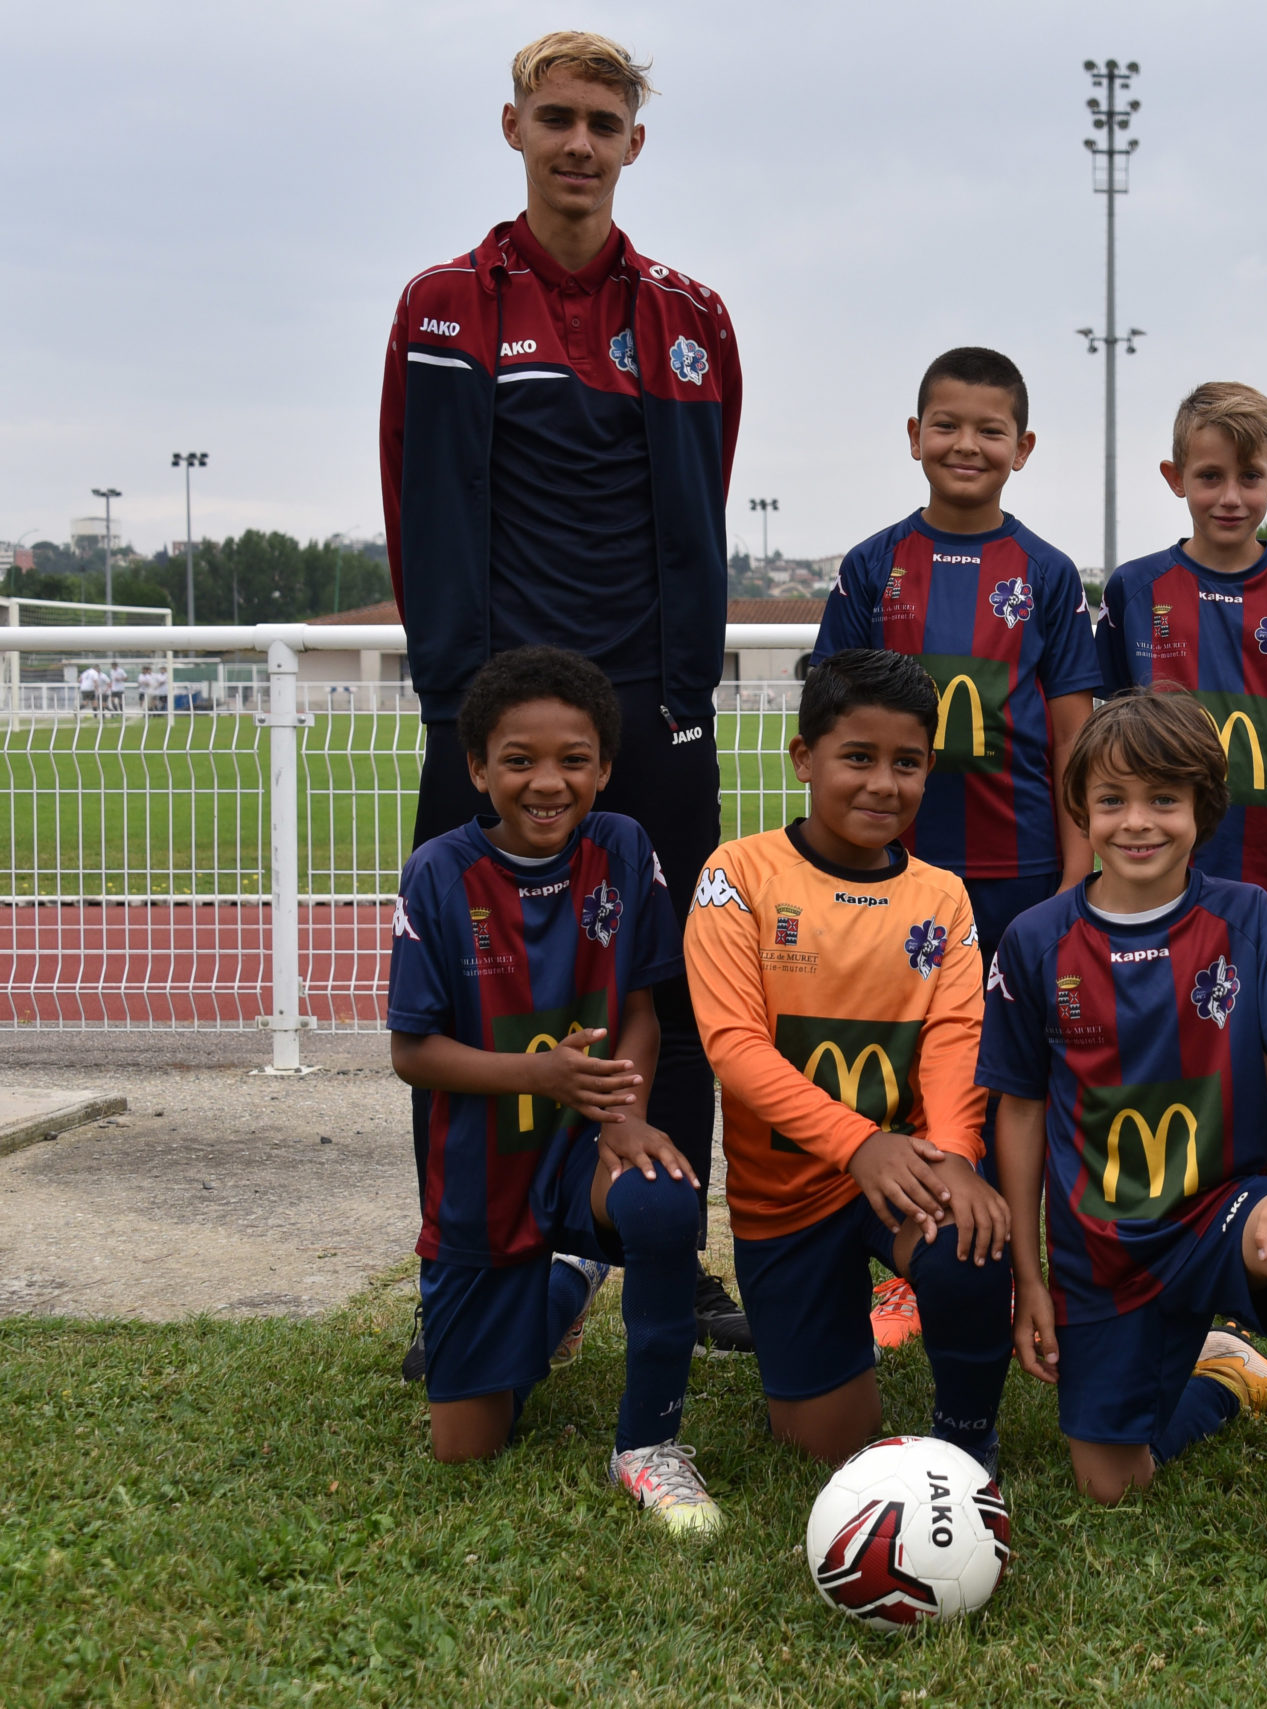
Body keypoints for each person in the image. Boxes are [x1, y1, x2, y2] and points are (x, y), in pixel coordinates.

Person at [382, 31, 750, 1363]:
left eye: (603, 122)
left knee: (682, 990)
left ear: (633, 144)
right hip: (497, 713)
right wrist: (461, 704)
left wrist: (682, 685)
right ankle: (469, 1272)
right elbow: (421, 500)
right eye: (557, 118)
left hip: (652, 709)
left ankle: (666, 1252)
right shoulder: (445, 305)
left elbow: (700, 507)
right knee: (470, 999)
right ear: (515, 130)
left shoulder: (692, 317)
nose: (579, 142)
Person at [978, 690, 1267, 1602]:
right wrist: (1030, 1276)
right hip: (1101, 1248)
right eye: (1112, 799)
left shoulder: (1245, 916)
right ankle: (1225, 1376)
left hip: (1219, 1212)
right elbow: (1021, 1111)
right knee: (1110, 1484)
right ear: (1081, 810)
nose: (1138, 821)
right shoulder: (1036, 941)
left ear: (1203, 808)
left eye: (1164, 798)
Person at [387, 647, 719, 1531]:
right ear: (477, 768)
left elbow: (641, 1012)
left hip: (586, 1152)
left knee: (662, 1199)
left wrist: (622, 1118)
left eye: (574, 759)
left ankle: (647, 1445)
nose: (547, 781)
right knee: (468, 1445)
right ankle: (568, 1281)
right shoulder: (438, 872)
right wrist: (539, 1074)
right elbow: (412, 1051)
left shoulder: (623, 847)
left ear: (604, 768)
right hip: (482, 1177)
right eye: (519, 759)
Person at [682, 650, 1015, 1471]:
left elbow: (955, 1039)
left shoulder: (942, 895)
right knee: (829, 1442)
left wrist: (957, 1155)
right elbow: (735, 1047)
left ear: (929, 768)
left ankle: (967, 1442)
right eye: (858, 757)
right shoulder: (738, 876)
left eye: (907, 763)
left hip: (907, 1171)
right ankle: (841, 1329)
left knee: (969, 1242)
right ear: (804, 757)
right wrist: (858, 1142)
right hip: (787, 1197)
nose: (883, 784)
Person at [812, 347, 1104, 958]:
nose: (966, 445)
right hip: (887, 857)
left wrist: (1077, 874)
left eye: (990, 431)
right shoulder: (870, 565)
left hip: (1024, 866)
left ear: (1022, 448)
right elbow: (829, 725)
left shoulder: (1049, 573)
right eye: (946, 425)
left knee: (1013, 1017)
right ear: (915, 437)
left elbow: (1074, 740)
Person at [1096, 383, 1267, 947]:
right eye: (1210, 476)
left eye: (1250, 477)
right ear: (1175, 478)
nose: (1230, 497)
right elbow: (1113, 726)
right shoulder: (1133, 588)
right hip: (1153, 857)